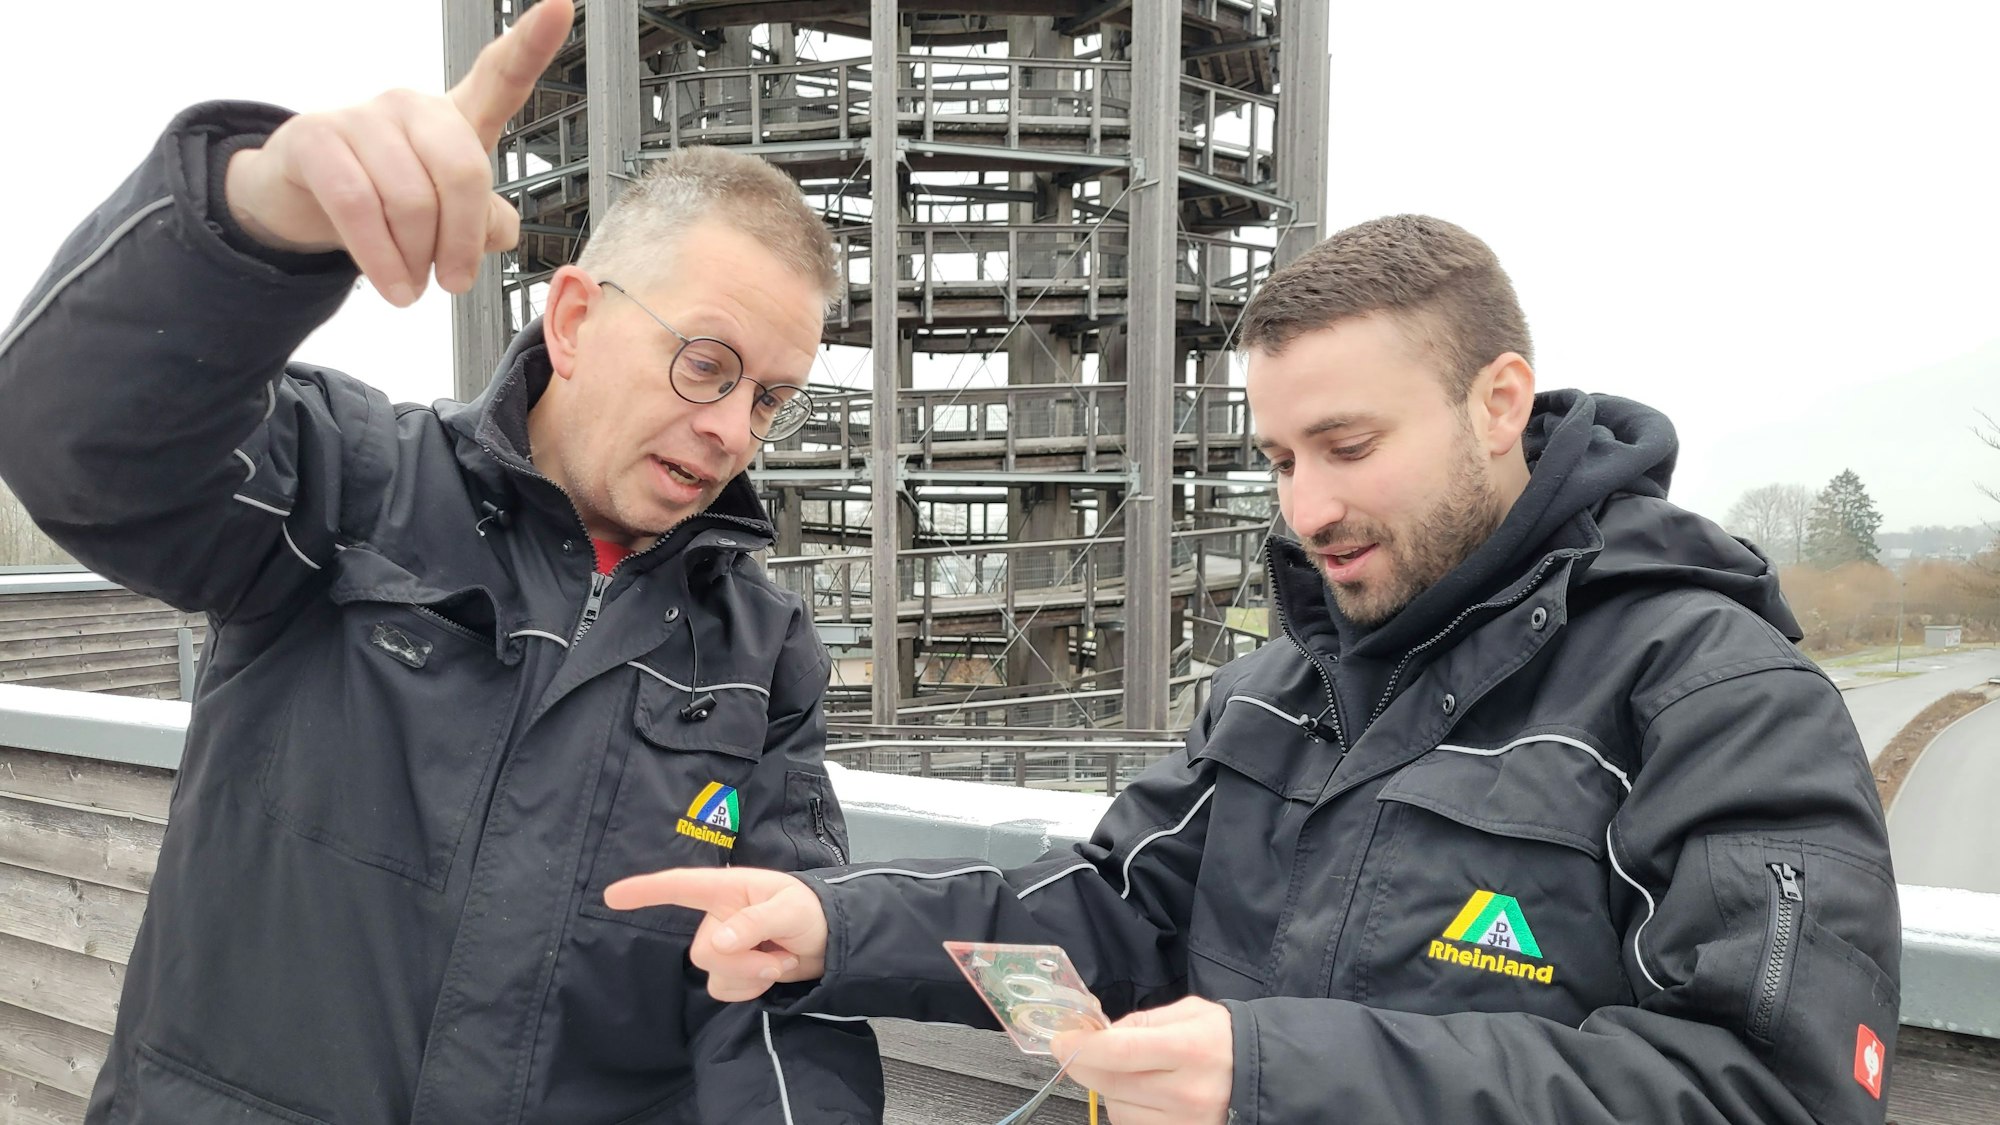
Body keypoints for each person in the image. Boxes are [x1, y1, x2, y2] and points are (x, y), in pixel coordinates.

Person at [608, 214, 1903, 1124]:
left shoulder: (1714, 700)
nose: (1307, 509)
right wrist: (836, 925)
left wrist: (1272, 1073)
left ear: (1499, 402)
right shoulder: (1278, 692)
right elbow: (1113, 920)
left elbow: (1776, 1093)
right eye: (1281, 460)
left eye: (1348, 446)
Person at [0, 3, 882, 1121]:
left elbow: (777, 981)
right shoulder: (354, 485)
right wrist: (252, 224)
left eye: (769, 398)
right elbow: (78, 446)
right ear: (573, 320)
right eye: (706, 364)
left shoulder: (761, 653)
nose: (729, 429)